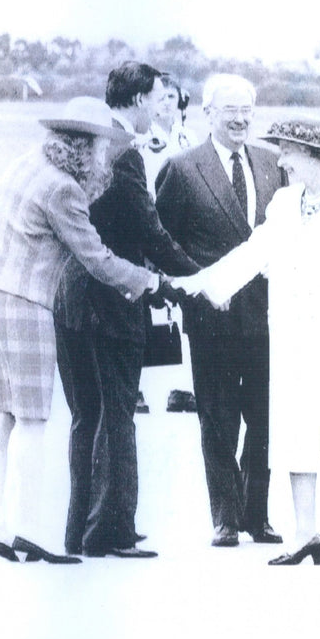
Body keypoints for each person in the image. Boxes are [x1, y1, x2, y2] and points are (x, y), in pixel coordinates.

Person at [173, 118, 320, 565]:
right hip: (295, 333)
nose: (280, 161)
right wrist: (202, 283)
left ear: (315, 157)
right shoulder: (283, 202)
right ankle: (304, 533)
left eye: (288, 153)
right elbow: (254, 252)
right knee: (296, 427)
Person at [0, 96, 162, 563]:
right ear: (86, 145)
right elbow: (95, 258)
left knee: (2, 419)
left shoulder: (28, 162)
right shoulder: (63, 189)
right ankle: (29, 533)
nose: (108, 154)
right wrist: (147, 280)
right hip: (26, 305)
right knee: (34, 421)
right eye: (104, 145)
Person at [53, 62, 199, 559]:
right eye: (159, 98)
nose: (162, 107)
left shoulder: (87, 143)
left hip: (72, 299)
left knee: (84, 417)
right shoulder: (123, 153)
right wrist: (193, 278)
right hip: (112, 304)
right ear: (137, 101)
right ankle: (111, 529)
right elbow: (149, 232)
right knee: (117, 417)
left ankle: (81, 528)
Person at [155, 74, 285, 547]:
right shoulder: (182, 168)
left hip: (268, 314)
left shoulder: (273, 164)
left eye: (246, 110)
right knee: (218, 417)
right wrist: (198, 287)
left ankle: (258, 514)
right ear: (208, 113)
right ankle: (225, 518)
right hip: (213, 316)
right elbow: (163, 241)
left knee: (267, 417)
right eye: (229, 110)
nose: (239, 119)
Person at [138, 73, 199, 414]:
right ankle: (138, 388)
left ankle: (182, 387)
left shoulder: (187, 136)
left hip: (181, 229)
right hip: (151, 223)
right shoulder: (143, 139)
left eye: (172, 98)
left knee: (182, 307)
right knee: (146, 308)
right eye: (160, 98)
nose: (166, 104)